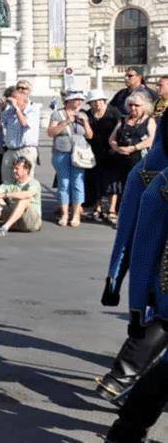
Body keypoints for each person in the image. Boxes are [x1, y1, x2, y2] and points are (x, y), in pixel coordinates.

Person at [99, 108, 168, 403]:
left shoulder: (149, 173)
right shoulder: (154, 178)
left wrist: (117, 283)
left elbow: (130, 238)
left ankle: (122, 381)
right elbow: (136, 238)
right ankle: (125, 384)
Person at [106, 92, 158, 227]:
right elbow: (112, 138)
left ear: (144, 106)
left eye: (137, 105)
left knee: (138, 189)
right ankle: (123, 218)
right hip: (120, 160)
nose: (133, 108)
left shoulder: (149, 121)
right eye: (131, 105)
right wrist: (117, 148)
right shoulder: (123, 119)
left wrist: (134, 148)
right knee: (123, 190)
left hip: (139, 161)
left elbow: (151, 139)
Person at [47, 90, 93, 227]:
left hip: (79, 154)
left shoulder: (83, 114)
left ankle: (76, 214)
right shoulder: (57, 114)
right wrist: (66, 122)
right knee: (64, 183)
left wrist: (85, 122)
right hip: (62, 152)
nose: (79, 102)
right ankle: (64, 214)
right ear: (68, 101)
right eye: (76, 99)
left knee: (78, 182)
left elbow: (90, 135)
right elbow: (51, 132)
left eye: (81, 99)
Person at [86, 89, 123, 222]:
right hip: (93, 152)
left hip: (111, 152)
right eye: (94, 102)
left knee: (113, 181)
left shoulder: (114, 112)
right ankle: (98, 207)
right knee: (96, 180)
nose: (97, 104)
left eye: (100, 101)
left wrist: (116, 147)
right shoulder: (88, 114)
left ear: (104, 101)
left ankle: (112, 209)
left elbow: (121, 130)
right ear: (90, 103)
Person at [0, 157, 42, 237]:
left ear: (26, 170)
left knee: (24, 200)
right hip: (14, 223)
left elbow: (28, 194)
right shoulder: (10, 182)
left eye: (17, 169)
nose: (14, 171)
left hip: (30, 223)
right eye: (14, 168)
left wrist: (6, 195)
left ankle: (4, 228)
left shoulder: (34, 183)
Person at [0, 80, 42, 183]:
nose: (13, 102)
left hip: (25, 150)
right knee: (7, 181)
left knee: (24, 182)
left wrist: (17, 108)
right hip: (10, 150)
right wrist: (1, 107)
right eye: (18, 88)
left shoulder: (33, 108)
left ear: (24, 101)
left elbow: (24, 123)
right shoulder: (10, 110)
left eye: (15, 100)